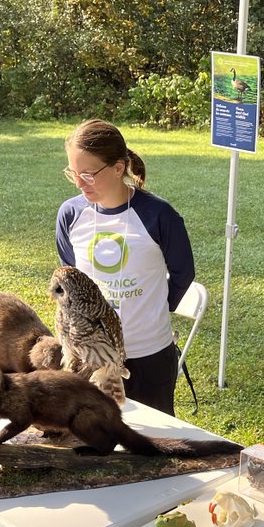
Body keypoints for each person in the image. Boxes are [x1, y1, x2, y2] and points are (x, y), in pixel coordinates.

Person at [55, 119, 196, 415]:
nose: (80, 183)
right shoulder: (71, 214)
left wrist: (154, 308)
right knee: (94, 436)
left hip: (148, 355)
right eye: (73, 173)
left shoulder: (159, 215)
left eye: (89, 174)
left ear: (119, 168)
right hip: (90, 357)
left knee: (152, 442)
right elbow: (70, 279)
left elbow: (183, 274)